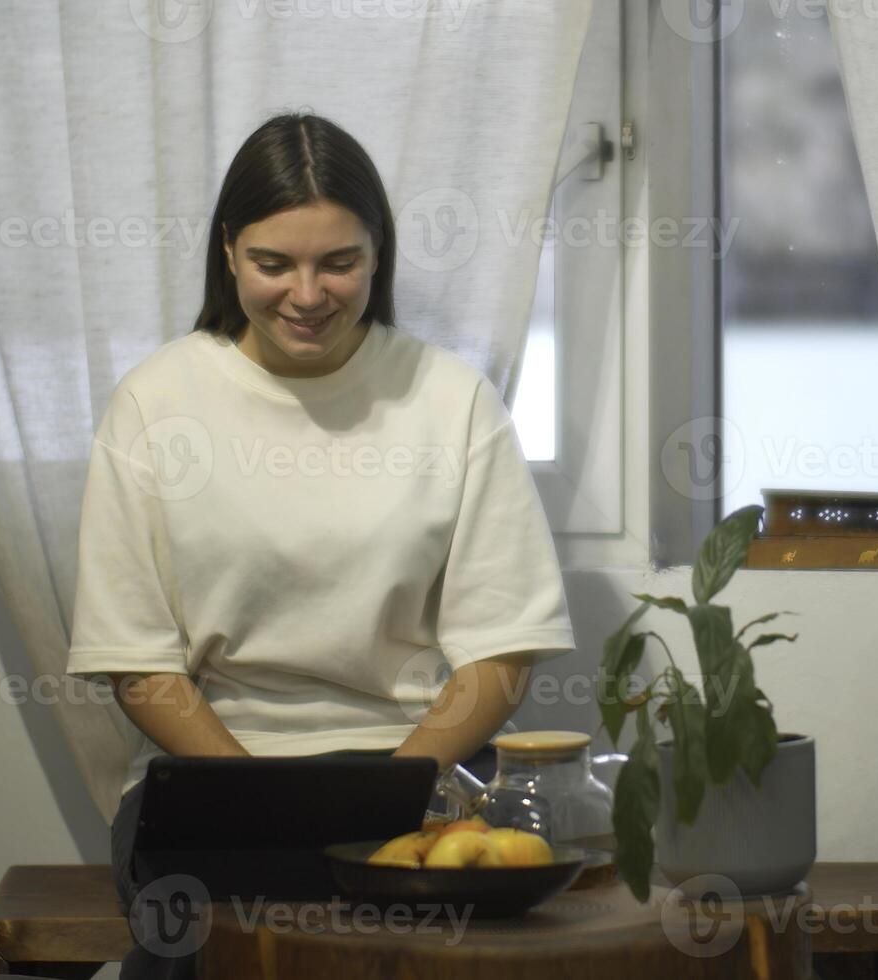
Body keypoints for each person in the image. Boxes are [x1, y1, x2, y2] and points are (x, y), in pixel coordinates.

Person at [65, 112, 578, 980]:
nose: (308, 294)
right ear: (229, 252)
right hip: (217, 778)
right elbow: (138, 664)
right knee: (224, 950)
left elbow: (502, 650)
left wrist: (389, 794)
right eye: (275, 264)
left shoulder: (450, 400)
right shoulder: (156, 403)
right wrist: (269, 802)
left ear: (377, 257)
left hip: (427, 774)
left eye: (338, 262)